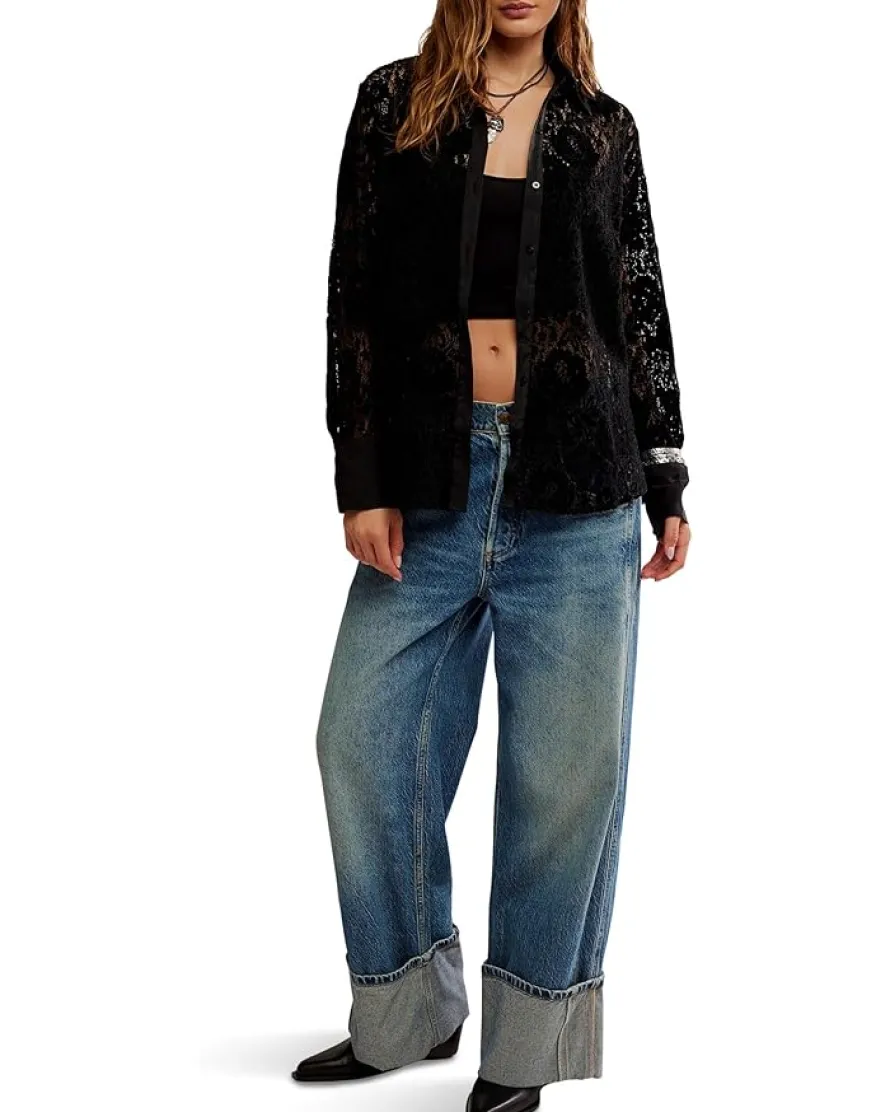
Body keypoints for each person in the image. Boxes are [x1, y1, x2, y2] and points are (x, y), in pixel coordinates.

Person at [293, 2, 692, 1109]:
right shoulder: (394, 102)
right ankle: (405, 1010)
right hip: (430, 481)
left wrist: (665, 474)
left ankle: (525, 1049)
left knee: (562, 780)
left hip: (579, 487)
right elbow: (352, 291)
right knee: (360, 742)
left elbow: (638, 304)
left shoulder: (604, 128)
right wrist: (362, 476)